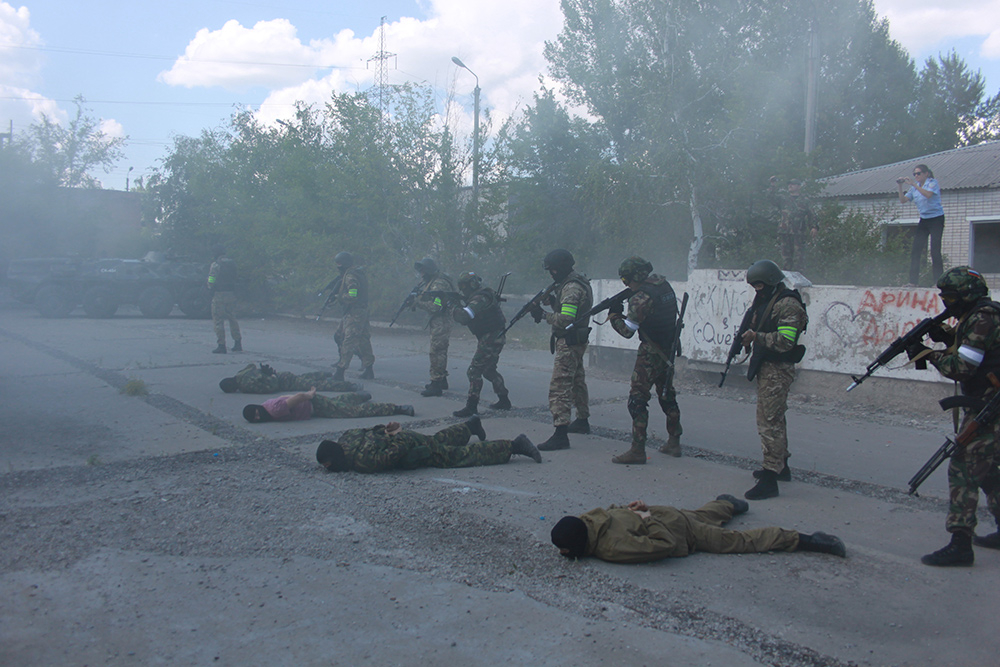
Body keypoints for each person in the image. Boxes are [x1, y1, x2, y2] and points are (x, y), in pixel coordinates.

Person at [908, 267, 1000, 567]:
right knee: (987, 468)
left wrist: (927, 354)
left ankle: (960, 544)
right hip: (988, 401)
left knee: (962, 466)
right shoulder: (980, 315)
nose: (946, 303)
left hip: (991, 405)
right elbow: (977, 352)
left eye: (950, 297)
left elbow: (962, 367)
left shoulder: (983, 318)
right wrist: (946, 336)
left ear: (966, 296)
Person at [550, 495, 846, 563]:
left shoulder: (611, 549)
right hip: (669, 513)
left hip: (674, 529)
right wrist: (641, 511)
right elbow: (618, 509)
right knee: (702, 515)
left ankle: (807, 540)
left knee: (739, 541)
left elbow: (664, 545)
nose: (563, 552)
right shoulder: (589, 518)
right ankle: (726, 504)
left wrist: (647, 517)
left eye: (564, 548)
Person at [737, 260, 808, 500]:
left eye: (759, 285)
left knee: (769, 422)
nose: (757, 290)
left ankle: (770, 478)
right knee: (774, 418)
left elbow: (786, 340)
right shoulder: (767, 299)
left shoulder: (787, 304)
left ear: (770, 282)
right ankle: (781, 467)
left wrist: (757, 337)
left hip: (778, 369)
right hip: (768, 368)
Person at [606, 256, 683, 464]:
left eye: (626, 280)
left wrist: (614, 315)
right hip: (667, 349)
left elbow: (627, 331)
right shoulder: (663, 285)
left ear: (636, 277)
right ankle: (674, 441)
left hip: (650, 353)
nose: (626, 284)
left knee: (637, 399)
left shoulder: (641, 298)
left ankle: (638, 449)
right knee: (666, 394)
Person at [316, 415, 541, 474]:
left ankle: (513, 446)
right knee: (436, 440)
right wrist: (390, 432)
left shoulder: (362, 462)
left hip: (409, 445)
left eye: (329, 465)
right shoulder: (347, 437)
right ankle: (470, 426)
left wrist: (399, 436)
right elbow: (373, 430)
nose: (329, 469)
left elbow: (396, 453)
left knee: (455, 456)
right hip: (403, 436)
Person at [532, 249, 593, 451]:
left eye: (554, 270)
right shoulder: (574, 282)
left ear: (562, 268)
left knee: (560, 385)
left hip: (569, 340)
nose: (551, 274)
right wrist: (552, 302)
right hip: (577, 339)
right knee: (577, 380)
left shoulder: (572, 287)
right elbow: (569, 308)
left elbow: (566, 318)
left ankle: (560, 433)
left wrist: (542, 314)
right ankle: (582, 421)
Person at [452, 271, 512, 417]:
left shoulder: (480, 298)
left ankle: (471, 406)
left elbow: (464, 317)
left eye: (464, 286)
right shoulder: (481, 295)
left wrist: (452, 307)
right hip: (494, 336)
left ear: (471, 285)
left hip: (491, 338)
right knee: (489, 370)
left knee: (474, 371)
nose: (462, 289)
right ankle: (504, 400)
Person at [242, 387, 413, 423]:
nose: (259, 417)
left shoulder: (274, 410)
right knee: (338, 403)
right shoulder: (266, 406)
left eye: (256, 413)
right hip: (314, 404)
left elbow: (299, 396)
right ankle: (358, 395)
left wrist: (309, 395)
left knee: (352, 413)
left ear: (258, 408)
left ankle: (397, 408)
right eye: (256, 418)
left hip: (314, 404)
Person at [412, 258, 455, 397]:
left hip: (441, 321)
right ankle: (441, 379)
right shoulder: (432, 281)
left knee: (436, 351)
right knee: (439, 351)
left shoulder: (439, 284)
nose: (421, 274)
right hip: (439, 321)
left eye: (423, 270)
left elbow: (436, 307)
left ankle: (436, 384)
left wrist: (418, 302)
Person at [897, 164, 944, 286]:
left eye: (918, 173)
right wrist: (900, 186)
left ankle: (938, 282)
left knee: (935, 250)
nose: (916, 176)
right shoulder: (915, 188)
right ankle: (913, 282)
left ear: (926, 174)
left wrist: (913, 184)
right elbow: (903, 200)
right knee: (916, 250)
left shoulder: (932, 183)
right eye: (914, 174)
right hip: (924, 220)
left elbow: (928, 195)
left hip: (936, 219)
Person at [331, 252, 375, 381]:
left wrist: (340, 297)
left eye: (339, 264)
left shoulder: (350, 276)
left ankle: (340, 371)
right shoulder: (357, 273)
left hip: (355, 312)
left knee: (349, 340)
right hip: (360, 311)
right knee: (363, 340)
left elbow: (353, 295)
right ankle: (369, 369)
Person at [769, 176, 816, 273]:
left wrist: (814, 227)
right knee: (786, 258)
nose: (790, 186)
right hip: (785, 231)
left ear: (799, 186)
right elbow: (771, 198)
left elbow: (812, 214)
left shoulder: (805, 200)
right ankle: (787, 279)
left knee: (799, 258)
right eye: (789, 184)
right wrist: (773, 185)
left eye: (793, 184)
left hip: (798, 232)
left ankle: (800, 280)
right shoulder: (783, 199)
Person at [219, 363, 363, 394]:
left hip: (283, 382)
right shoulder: (241, 373)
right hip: (283, 374)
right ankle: (324, 374)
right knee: (305, 378)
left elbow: (271, 387)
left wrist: (271, 377)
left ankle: (350, 386)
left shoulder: (245, 386)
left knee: (316, 385)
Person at [208, 245, 242, 354]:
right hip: (231, 293)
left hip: (219, 294)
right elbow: (236, 277)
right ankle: (238, 343)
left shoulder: (216, 264)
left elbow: (212, 278)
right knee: (232, 318)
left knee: (218, 319)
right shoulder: (232, 263)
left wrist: (209, 286)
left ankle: (221, 345)